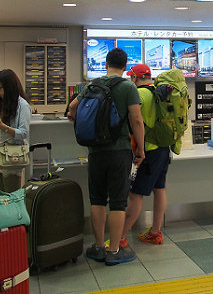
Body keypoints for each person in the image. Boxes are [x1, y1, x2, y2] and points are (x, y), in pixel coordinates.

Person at [67, 48, 145, 266]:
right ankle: (114, 250)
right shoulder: (128, 87)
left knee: (97, 199)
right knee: (118, 201)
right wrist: (140, 148)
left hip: (95, 152)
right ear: (125, 67)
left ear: (106, 64)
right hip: (119, 151)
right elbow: (136, 120)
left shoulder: (92, 84)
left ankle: (99, 246)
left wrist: (75, 117)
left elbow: (72, 107)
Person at [115, 63, 176, 248]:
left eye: (131, 77)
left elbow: (134, 119)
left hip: (147, 150)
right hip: (163, 148)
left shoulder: (140, 94)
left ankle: (120, 237)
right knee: (160, 189)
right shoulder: (160, 92)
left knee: (135, 195)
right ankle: (155, 233)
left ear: (135, 77)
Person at [0, 69, 32, 192]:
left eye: (0, 88)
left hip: (12, 159)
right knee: (0, 197)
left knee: (11, 197)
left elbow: (23, 133)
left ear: (9, 86)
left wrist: (3, 127)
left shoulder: (22, 106)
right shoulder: (0, 104)